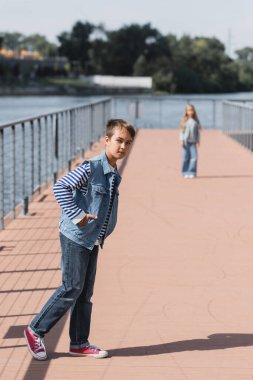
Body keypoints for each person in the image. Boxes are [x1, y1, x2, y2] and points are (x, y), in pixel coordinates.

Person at [24, 119, 135, 360]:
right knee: (71, 287)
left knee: (84, 292)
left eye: (128, 143)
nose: (123, 147)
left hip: (93, 239)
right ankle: (35, 330)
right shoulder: (92, 167)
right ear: (106, 140)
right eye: (118, 141)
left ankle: (79, 342)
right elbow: (60, 187)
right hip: (76, 236)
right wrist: (78, 215)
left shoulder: (114, 172)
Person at [179, 104, 202, 178]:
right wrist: (181, 139)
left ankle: (192, 172)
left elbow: (198, 133)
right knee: (185, 157)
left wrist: (198, 141)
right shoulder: (185, 121)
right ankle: (185, 172)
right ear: (186, 112)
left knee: (194, 157)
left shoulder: (195, 122)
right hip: (186, 142)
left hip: (193, 142)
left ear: (194, 111)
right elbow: (181, 132)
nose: (190, 112)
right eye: (189, 110)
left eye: (192, 110)